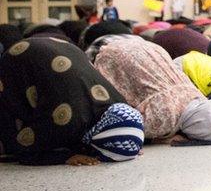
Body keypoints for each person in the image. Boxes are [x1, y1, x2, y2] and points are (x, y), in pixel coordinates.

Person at [0, 37, 144, 165]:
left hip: (56, 49)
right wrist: (65, 157)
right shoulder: (69, 119)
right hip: (17, 61)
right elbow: (26, 151)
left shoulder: (119, 103)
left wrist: (132, 142)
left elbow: (126, 129)